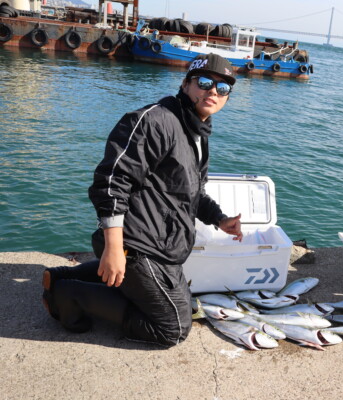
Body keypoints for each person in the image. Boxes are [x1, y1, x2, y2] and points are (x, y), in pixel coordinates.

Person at [41, 54, 244, 347]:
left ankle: (61, 276)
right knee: (172, 328)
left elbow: (191, 193)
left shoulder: (197, 133)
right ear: (186, 84)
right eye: (204, 82)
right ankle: (68, 296)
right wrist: (114, 248)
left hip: (162, 244)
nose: (213, 91)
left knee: (189, 303)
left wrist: (220, 219)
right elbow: (110, 182)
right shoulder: (155, 121)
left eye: (223, 88)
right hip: (135, 244)